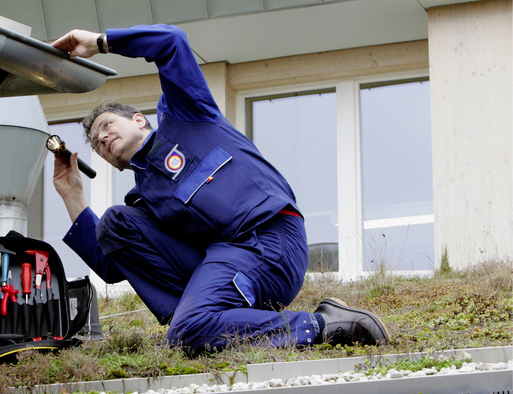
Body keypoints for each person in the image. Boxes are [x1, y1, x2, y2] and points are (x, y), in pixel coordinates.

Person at [50, 24, 389, 352]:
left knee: (188, 330)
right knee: (115, 223)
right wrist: (72, 194)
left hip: (270, 241)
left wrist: (100, 42)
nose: (103, 138)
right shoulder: (144, 199)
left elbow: (170, 42)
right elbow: (112, 264)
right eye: (97, 144)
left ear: (139, 119)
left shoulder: (186, 114)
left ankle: (324, 324)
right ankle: (201, 317)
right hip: (223, 259)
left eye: (107, 125)